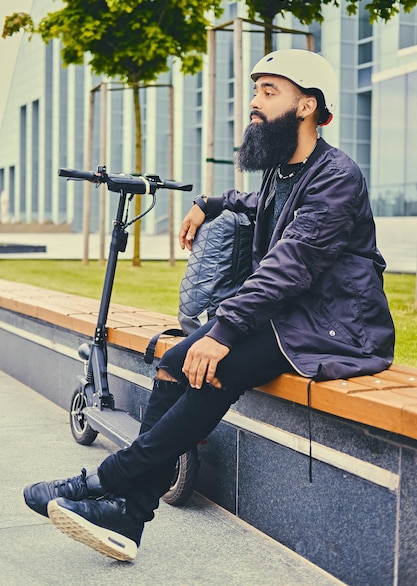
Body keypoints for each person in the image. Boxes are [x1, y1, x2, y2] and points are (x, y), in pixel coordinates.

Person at [23, 49, 395, 562]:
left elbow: (293, 262)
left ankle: (106, 485)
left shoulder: (337, 177)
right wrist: (211, 202)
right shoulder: (284, 171)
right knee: (176, 361)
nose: (253, 103)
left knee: (212, 369)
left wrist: (223, 330)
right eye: (255, 91)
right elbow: (260, 205)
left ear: (307, 105)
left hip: (335, 326)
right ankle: (128, 517)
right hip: (290, 316)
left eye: (269, 92)